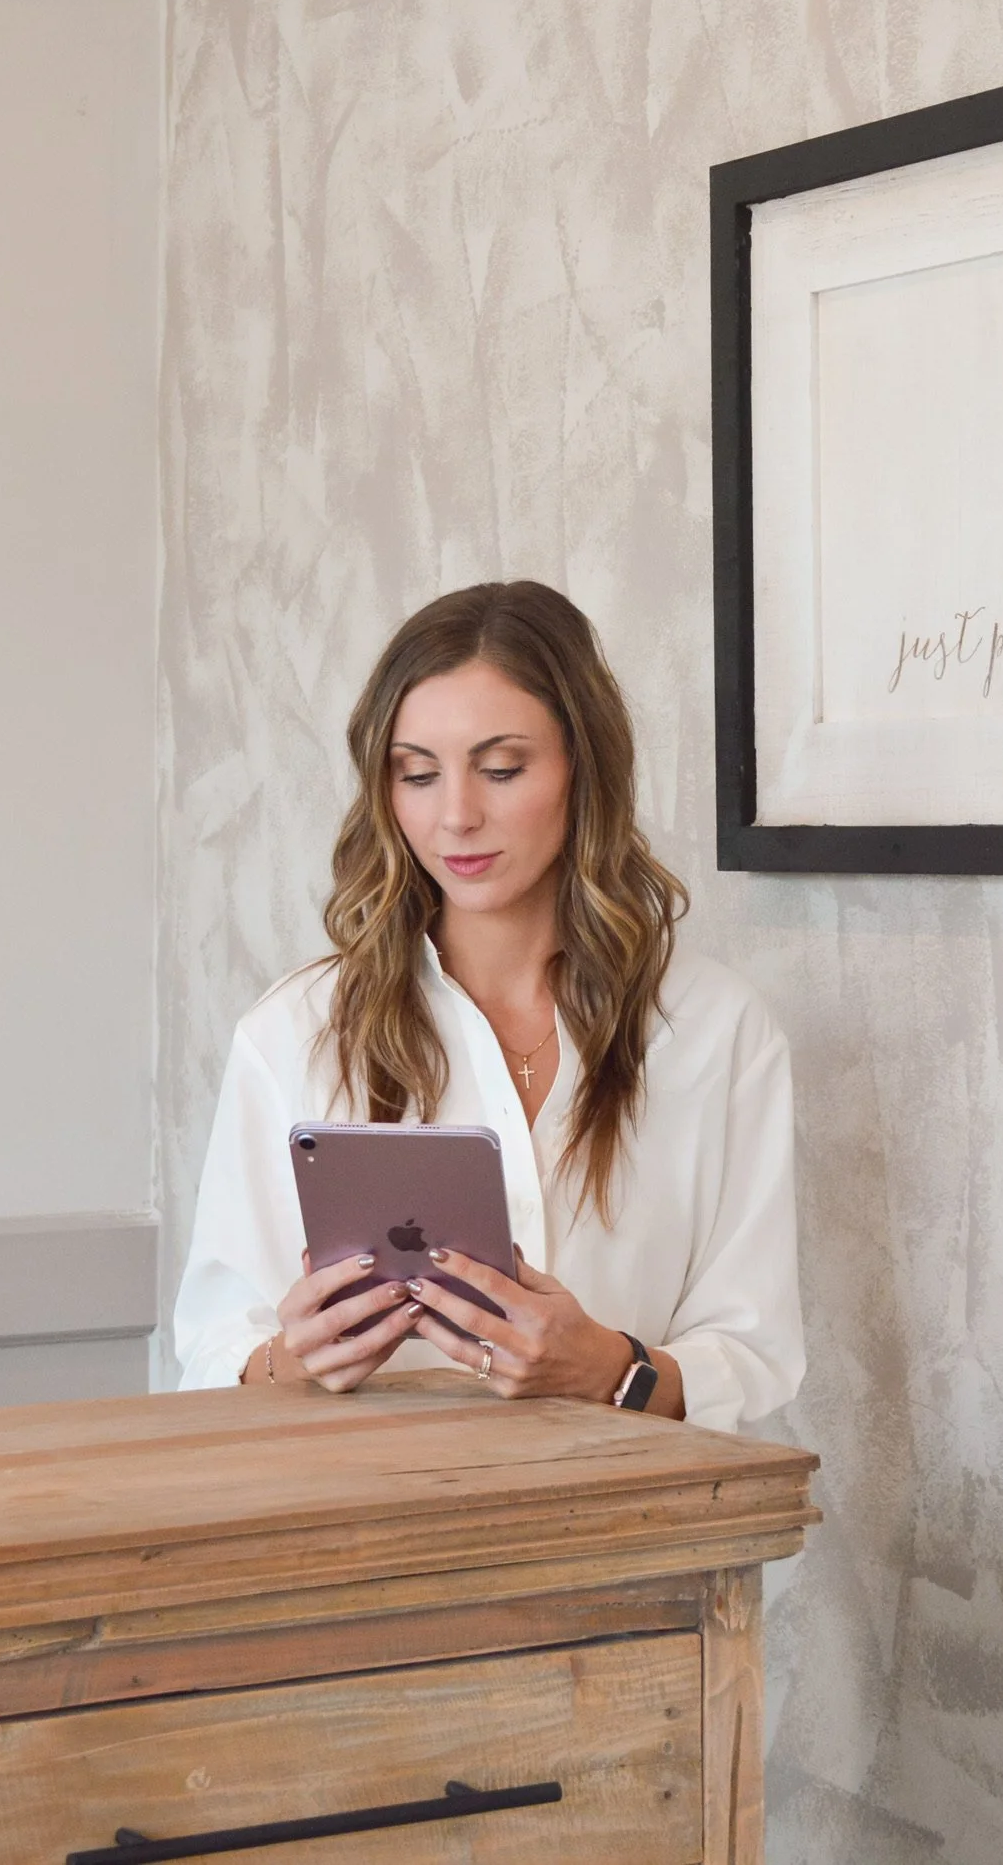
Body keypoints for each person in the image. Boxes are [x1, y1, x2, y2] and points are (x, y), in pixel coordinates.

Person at [174, 580, 803, 1432]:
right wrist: (295, 1358)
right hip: (365, 1533)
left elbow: (754, 1352)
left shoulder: (714, 1030)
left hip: (633, 1535)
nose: (457, 816)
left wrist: (611, 1370)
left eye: (502, 769)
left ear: (585, 767)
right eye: (418, 775)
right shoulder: (295, 1033)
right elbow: (212, 1353)